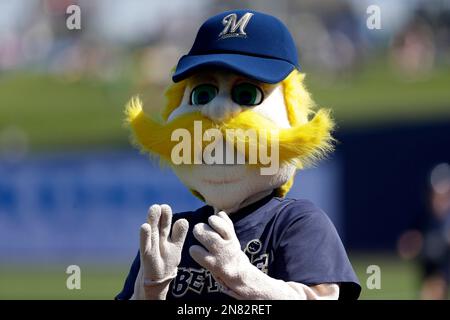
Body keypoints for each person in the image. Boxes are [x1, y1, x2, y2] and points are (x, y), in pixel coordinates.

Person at [116, 9, 361, 300]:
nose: (217, 110)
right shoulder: (173, 236)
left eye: (246, 95)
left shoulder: (295, 223)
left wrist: (250, 282)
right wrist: (149, 292)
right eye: (202, 95)